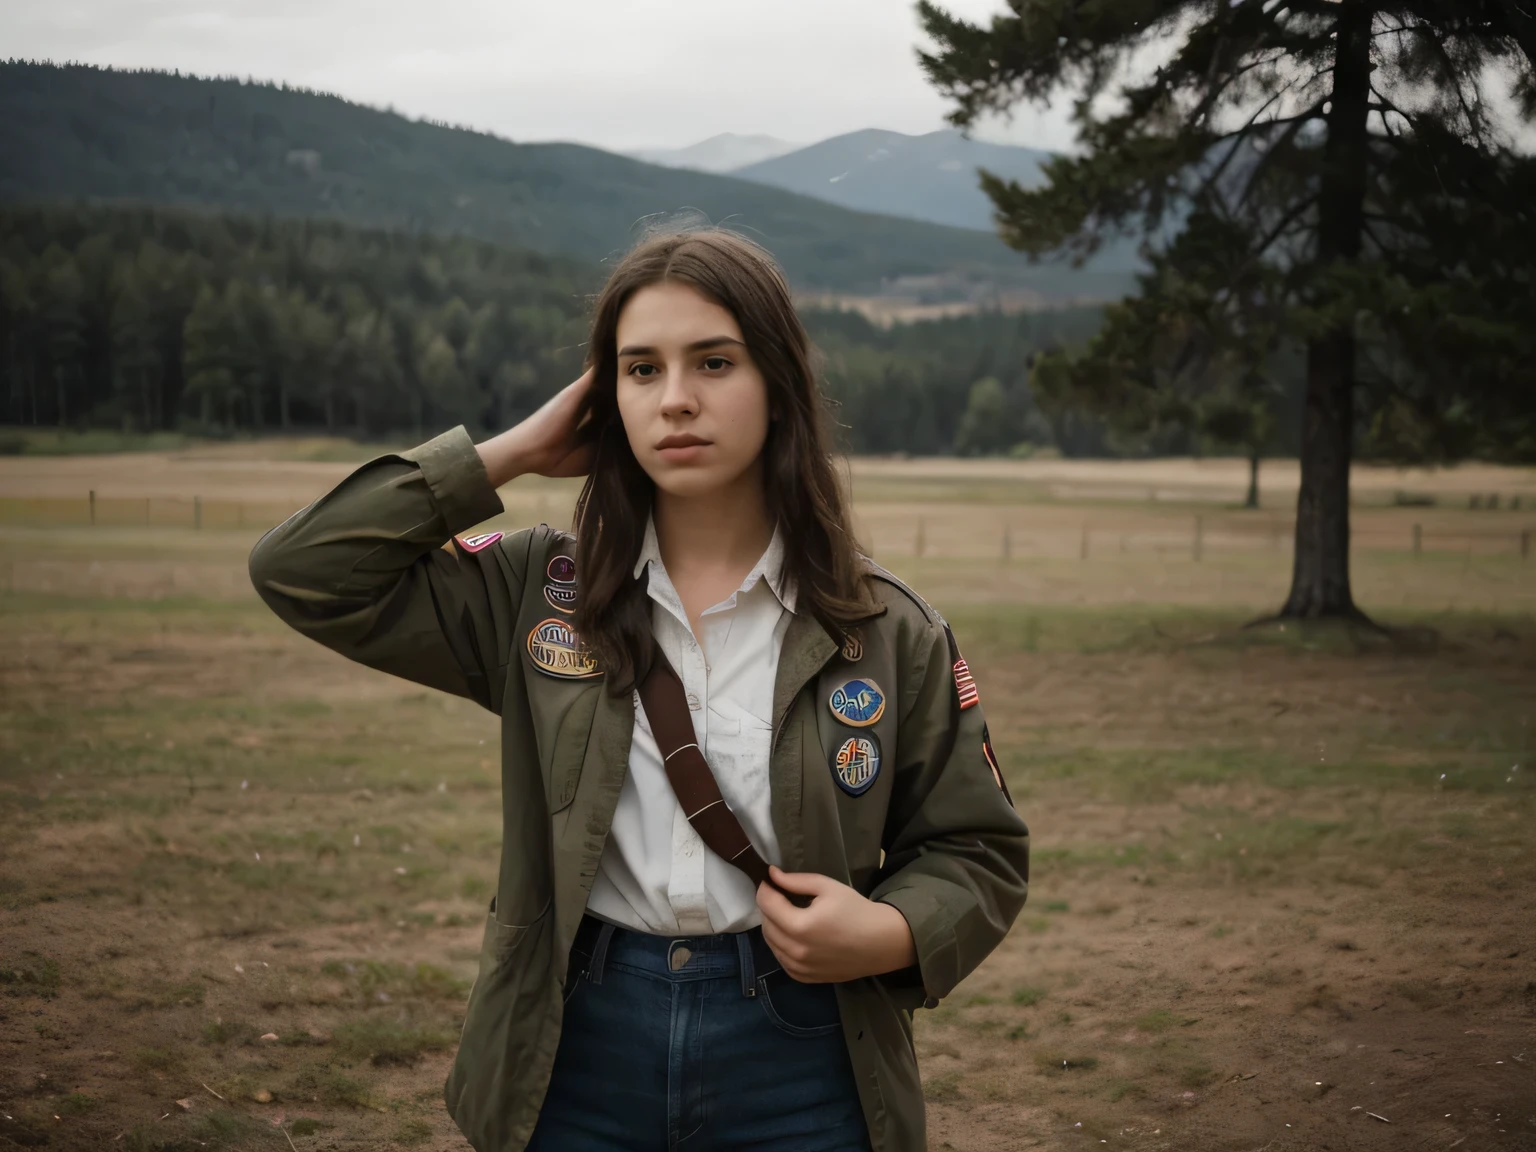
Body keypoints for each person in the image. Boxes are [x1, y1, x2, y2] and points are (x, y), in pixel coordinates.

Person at [248, 227, 1029, 1152]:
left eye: (714, 362)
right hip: (575, 1044)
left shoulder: (887, 629)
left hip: (808, 1054)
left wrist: (893, 932)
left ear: (778, 385)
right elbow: (303, 572)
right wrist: (509, 452)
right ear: (603, 398)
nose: (678, 400)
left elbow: (979, 850)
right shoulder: (538, 594)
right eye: (640, 370)